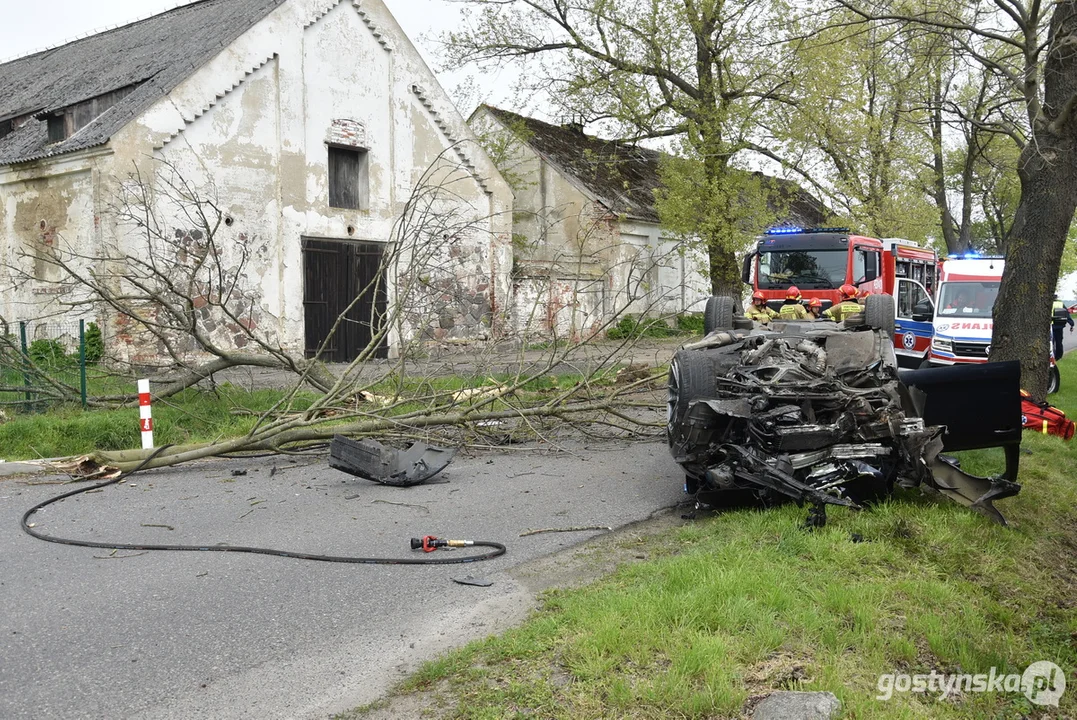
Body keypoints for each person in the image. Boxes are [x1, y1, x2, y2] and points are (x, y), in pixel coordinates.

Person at [1052, 294, 1074, 360]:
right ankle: (1059, 356)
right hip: (1059, 325)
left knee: (1051, 342)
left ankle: (1051, 357)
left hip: (1051, 326)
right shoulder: (1061, 304)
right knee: (1059, 342)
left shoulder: (1048, 303)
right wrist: (1071, 324)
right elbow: (1067, 314)